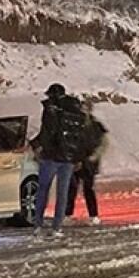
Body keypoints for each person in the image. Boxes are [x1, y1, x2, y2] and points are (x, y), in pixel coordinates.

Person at [29, 83, 89, 236]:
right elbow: (81, 137)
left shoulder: (51, 109)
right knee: (62, 194)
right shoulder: (75, 110)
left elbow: (47, 132)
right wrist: (78, 158)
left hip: (50, 157)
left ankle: (38, 225)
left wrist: (34, 145)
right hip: (68, 159)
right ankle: (57, 228)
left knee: (43, 189)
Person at [65, 99, 108, 225]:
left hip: (89, 163)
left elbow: (103, 144)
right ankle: (67, 214)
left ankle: (93, 215)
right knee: (71, 188)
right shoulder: (73, 126)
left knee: (88, 189)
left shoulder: (96, 126)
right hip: (76, 162)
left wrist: (94, 157)